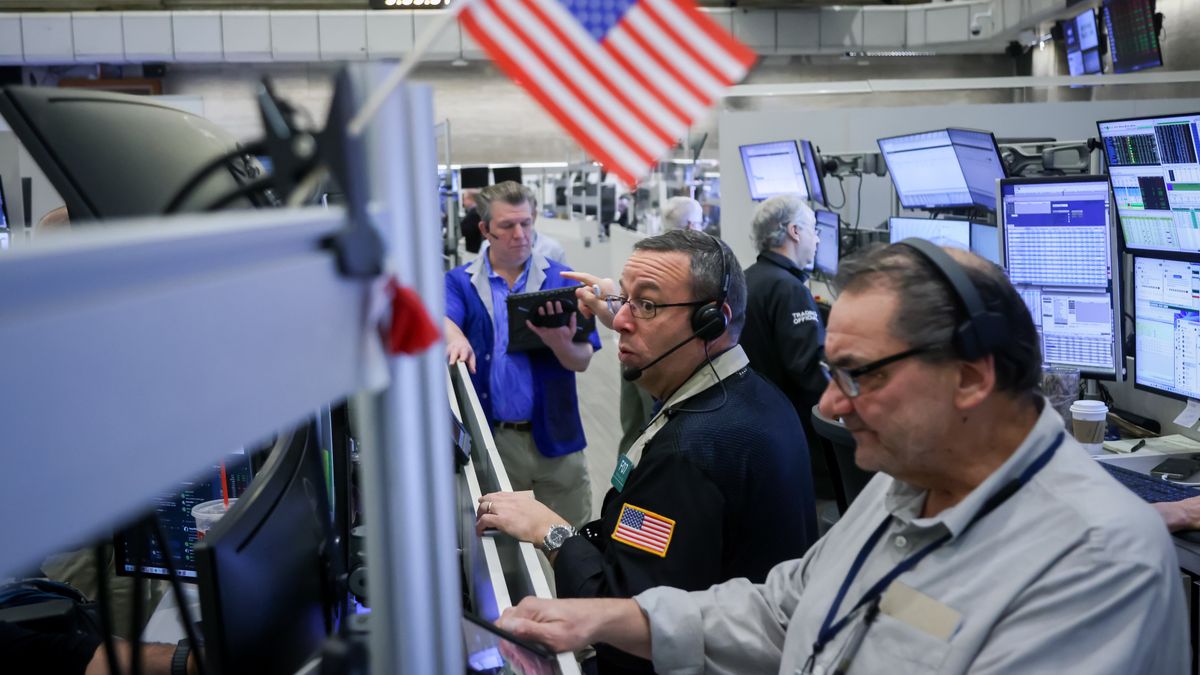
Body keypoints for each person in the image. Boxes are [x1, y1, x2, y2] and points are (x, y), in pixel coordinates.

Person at [495, 242, 1189, 675]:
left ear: (971, 377)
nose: (829, 405)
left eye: (859, 375)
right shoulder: (903, 490)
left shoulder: (1099, 565)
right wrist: (605, 618)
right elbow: (778, 610)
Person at [477, 229, 819, 674]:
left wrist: (551, 530)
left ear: (713, 322)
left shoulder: (688, 453)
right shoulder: (751, 396)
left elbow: (621, 610)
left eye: (648, 306)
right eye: (625, 300)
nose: (619, 320)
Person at [445, 181, 599, 528]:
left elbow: (583, 360)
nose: (520, 234)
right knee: (505, 555)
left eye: (526, 223)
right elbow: (442, 316)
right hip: (494, 440)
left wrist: (560, 342)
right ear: (485, 229)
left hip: (558, 440)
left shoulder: (562, 280)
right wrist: (455, 336)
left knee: (572, 541)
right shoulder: (461, 282)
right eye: (507, 225)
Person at [740, 195, 833, 502]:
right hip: (797, 435)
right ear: (795, 231)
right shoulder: (789, 289)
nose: (817, 239)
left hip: (758, 424)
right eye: (813, 229)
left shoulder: (748, 279)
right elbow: (808, 370)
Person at [617, 196, 705, 455]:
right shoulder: (689, 270)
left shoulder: (644, 256)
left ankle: (626, 484)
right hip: (656, 359)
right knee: (655, 430)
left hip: (630, 355)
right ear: (690, 225)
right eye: (700, 222)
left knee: (633, 427)